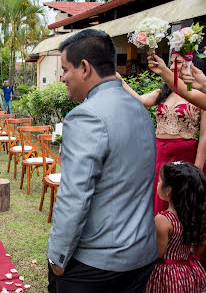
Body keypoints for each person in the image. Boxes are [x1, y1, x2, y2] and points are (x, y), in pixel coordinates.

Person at [47, 29, 157, 292]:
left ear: (84, 68)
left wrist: (58, 257)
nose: (62, 78)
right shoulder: (139, 109)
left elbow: (75, 195)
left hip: (96, 263)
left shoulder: (85, 116)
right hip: (140, 255)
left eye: (64, 69)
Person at [119, 52, 206, 216]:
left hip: (184, 154)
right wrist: (120, 80)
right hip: (160, 153)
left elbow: (204, 135)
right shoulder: (163, 93)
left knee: (182, 202)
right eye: (171, 63)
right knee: (158, 200)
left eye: (178, 62)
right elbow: (141, 101)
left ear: (191, 65)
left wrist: (198, 169)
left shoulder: (199, 96)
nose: (173, 67)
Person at [146, 161, 206, 292]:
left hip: (168, 277)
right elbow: (198, 250)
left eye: (160, 180)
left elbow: (157, 254)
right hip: (189, 273)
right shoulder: (196, 217)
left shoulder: (163, 221)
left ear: (169, 190)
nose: (157, 183)